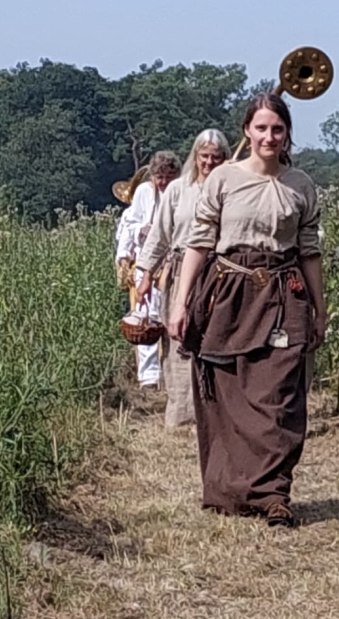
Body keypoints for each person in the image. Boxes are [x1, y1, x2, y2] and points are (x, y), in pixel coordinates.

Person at [168, 94, 326, 528]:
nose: (269, 136)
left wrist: (320, 310)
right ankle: (235, 488)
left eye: (277, 128)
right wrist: (180, 305)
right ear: (247, 132)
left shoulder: (302, 185)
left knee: (280, 397)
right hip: (229, 292)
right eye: (261, 128)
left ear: (287, 132)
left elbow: (309, 252)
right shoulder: (223, 180)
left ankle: (275, 494)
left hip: (283, 293)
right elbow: (198, 244)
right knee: (230, 391)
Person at [136, 129, 232, 429]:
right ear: (195, 156)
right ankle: (182, 414)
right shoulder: (178, 190)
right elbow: (160, 234)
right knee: (179, 339)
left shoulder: (233, 189)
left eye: (216, 157)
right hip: (181, 274)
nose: (210, 163)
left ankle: (218, 414)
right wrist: (146, 274)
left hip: (221, 273)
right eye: (204, 157)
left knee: (218, 340)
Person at [115, 151, 181, 389]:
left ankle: (171, 376)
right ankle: (149, 379)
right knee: (144, 320)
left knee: (172, 319)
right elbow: (129, 223)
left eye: (168, 177)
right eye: (159, 177)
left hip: (174, 262)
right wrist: (140, 233)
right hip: (146, 261)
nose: (163, 182)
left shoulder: (182, 192)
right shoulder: (143, 192)